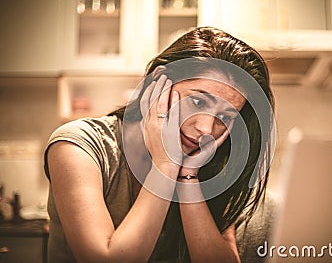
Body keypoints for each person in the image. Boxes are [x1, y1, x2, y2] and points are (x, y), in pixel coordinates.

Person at [44, 26, 275, 262]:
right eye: (197, 101)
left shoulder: (212, 163)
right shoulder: (79, 145)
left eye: (225, 117)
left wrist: (188, 177)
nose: (206, 129)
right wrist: (165, 164)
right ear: (158, 82)